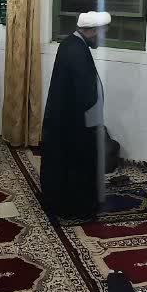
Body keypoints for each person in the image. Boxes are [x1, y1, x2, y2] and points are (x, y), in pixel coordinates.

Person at [40, 11, 112, 220]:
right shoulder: (76, 50)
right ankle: (76, 208)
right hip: (74, 125)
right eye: (102, 34)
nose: (103, 39)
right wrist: (92, 126)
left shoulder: (72, 44)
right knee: (76, 168)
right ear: (92, 31)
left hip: (69, 122)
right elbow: (85, 95)